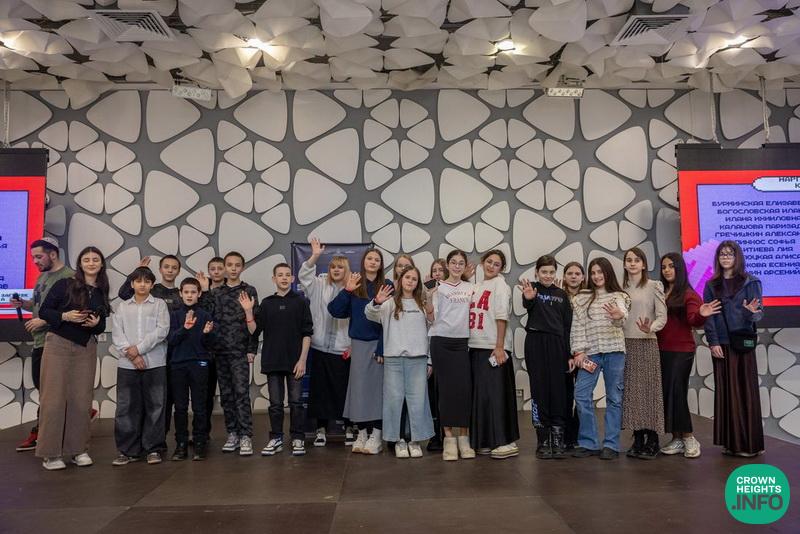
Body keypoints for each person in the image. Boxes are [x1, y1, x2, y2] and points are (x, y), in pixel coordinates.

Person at [36, 246, 110, 470]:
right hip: (58, 344)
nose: (91, 263)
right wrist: (65, 316)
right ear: (80, 264)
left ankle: (79, 450)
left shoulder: (101, 290)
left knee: (82, 400)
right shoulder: (65, 284)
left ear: (101, 264)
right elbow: (44, 311)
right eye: (86, 259)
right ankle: (51, 454)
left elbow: (102, 325)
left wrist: (96, 324)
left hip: (86, 347)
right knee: (53, 400)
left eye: (95, 259)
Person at [241, 264, 313, 457]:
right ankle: (276, 438)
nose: (284, 278)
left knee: (296, 402)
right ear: (274, 279)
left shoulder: (301, 301)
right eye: (280, 275)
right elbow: (254, 331)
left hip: (295, 362)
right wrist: (248, 312)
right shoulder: (267, 303)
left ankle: (298, 438)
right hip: (273, 361)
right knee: (275, 404)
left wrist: (302, 360)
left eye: (287, 275)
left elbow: (307, 333)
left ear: (292, 278)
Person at [12, 238, 74, 452]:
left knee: (49, 392)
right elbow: (39, 306)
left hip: (55, 342)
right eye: (33, 257)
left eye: (39, 256)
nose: (35, 261)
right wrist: (25, 304)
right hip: (39, 341)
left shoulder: (69, 277)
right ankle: (77, 413)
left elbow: (70, 312)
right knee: (44, 389)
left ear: (53, 254)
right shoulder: (42, 277)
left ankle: (42, 431)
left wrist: (44, 321)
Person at [703, 240, 764, 457]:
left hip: (742, 344)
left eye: (730, 254)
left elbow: (759, 313)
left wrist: (750, 313)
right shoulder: (711, 285)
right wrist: (713, 342)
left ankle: (749, 445)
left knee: (745, 392)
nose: (726, 258)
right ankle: (731, 444)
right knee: (727, 393)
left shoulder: (751, 282)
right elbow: (709, 316)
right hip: (722, 344)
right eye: (722, 254)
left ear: (737, 257)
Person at [328, 248, 391, 455]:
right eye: (369, 258)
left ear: (381, 264)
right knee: (359, 392)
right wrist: (347, 291)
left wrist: (382, 347)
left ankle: (376, 436)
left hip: (380, 345)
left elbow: (391, 320)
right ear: (363, 262)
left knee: (378, 392)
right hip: (358, 344)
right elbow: (335, 311)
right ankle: (362, 433)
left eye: (377, 259)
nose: (373, 262)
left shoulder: (387, 285)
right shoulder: (354, 283)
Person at [366, 266, 433, 458]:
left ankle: (414, 441)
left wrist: (429, 360)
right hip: (394, 359)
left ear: (417, 283)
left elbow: (431, 329)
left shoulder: (421, 304)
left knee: (418, 402)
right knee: (394, 401)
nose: (410, 281)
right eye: (407, 277)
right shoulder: (389, 303)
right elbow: (370, 314)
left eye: (414, 278)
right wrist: (376, 302)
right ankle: (399, 441)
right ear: (400, 280)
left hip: (418, 359)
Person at [658, 253, 721, 459]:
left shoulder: (688, 294)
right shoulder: (660, 292)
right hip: (661, 349)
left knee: (677, 393)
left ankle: (689, 437)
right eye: (664, 267)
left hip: (681, 350)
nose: (667, 270)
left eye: (671, 266)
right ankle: (676, 438)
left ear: (680, 269)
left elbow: (694, 320)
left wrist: (702, 314)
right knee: (668, 394)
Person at [197, 252, 258, 456]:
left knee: (241, 393)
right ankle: (232, 433)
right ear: (224, 268)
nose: (233, 268)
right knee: (227, 396)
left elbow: (255, 324)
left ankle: (246, 435)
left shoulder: (249, 290)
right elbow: (205, 316)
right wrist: (205, 291)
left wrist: (251, 349)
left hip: (240, 352)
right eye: (229, 265)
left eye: (237, 265)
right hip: (219, 351)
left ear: (242, 267)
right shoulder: (216, 293)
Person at [570, 257, 630, 460]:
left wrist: (618, 316)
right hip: (591, 355)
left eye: (600, 272)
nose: (596, 276)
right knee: (581, 395)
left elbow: (622, 317)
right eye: (593, 272)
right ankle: (589, 442)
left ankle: (611, 445)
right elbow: (577, 327)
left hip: (615, 353)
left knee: (614, 398)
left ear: (608, 273)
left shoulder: (619, 296)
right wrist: (578, 351)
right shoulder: (582, 298)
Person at [111, 267, 171, 466]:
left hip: (155, 362)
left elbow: (162, 331)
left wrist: (139, 349)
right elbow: (117, 334)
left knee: (156, 407)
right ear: (132, 284)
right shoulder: (122, 307)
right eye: (138, 281)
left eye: (146, 281)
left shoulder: (159, 305)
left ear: (152, 284)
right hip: (127, 365)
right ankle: (127, 450)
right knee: (126, 407)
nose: (142, 284)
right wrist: (132, 354)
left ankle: (153, 449)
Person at [298, 239, 352, 447]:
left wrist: (352, 345)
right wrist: (315, 256)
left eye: (340, 267)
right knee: (320, 391)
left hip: (342, 349)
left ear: (346, 270)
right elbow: (304, 276)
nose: (336, 270)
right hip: (320, 346)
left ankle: (348, 427)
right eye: (333, 267)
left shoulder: (353, 289)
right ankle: (321, 429)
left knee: (343, 390)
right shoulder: (319, 285)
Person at [425, 249, 476, 461]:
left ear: (465, 266)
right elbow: (431, 318)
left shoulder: (471, 288)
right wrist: (428, 297)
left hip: (462, 343)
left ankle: (464, 438)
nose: (456, 266)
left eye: (460, 263)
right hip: (441, 342)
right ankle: (449, 439)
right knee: (444, 392)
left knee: (464, 391)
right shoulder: (438, 287)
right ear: (447, 265)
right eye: (453, 262)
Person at [520, 255, 572, 460]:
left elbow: (567, 326)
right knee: (539, 390)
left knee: (558, 391)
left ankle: (557, 438)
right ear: (537, 272)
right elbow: (527, 305)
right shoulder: (532, 289)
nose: (548, 276)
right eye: (544, 272)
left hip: (557, 345)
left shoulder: (562, 294)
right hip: (535, 343)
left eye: (551, 272)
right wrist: (529, 298)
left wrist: (569, 353)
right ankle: (542, 439)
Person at [470, 250, 520, 459]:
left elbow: (501, 316)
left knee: (497, 395)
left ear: (502, 268)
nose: (491, 266)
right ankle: (485, 440)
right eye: (489, 262)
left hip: (493, 347)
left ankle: (505, 441)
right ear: (482, 263)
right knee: (482, 396)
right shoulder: (477, 286)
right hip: (475, 346)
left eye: (496, 264)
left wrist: (499, 346)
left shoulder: (500, 285)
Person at [621, 247, 668, 460]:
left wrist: (651, 328)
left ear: (644, 264)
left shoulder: (654, 286)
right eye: (629, 260)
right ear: (624, 264)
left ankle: (653, 439)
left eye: (637, 260)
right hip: (625, 343)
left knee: (650, 393)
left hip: (647, 342)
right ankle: (638, 437)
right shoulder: (620, 288)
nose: (632, 263)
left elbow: (662, 316)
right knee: (632, 393)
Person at [167, 277, 215, 461]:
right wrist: (184, 328)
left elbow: (210, 344)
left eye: (193, 292)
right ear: (180, 293)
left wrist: (206, 334)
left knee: (199, 406)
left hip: (199, 364)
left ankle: (200, 442)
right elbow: (171, 340)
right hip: (178, 365)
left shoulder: (205, 315)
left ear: (199, 293)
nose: (189, 295)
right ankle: (181, 444)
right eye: (186, 292)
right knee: (180, 407)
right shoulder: (174, 315)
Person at [560, 261, 585, 450]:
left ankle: (578, 434)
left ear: (583, 277)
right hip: (564, 353)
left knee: (583, 395)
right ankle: (565, 436)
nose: (574, 276)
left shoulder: (589, 297)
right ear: (564, 276)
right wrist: (567, 354)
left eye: (577, 273)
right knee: (566, 396)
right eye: (570, 273)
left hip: (584, 353)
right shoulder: (559, 297)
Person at [424, 259, 448, 452]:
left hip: (449, 350)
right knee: (432, 397)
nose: (437, 273)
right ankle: (434, 436)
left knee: (446, 397)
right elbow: (427, 326)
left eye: (441, 270)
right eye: (434, 270)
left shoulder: (451, 293)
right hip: (431, 351)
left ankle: (448, 434)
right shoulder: (425, 294)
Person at [201, 256, 226, 438]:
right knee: (205, 394)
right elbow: (203, 313)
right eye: (213, 269)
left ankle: (234, 433)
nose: (216, 272)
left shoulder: (230, 290)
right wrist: (204, 291)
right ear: (209, 271)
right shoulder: (202, 289)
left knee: (229, 394)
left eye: (219, 268)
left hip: (226, 349)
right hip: (206, 351)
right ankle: (202, 432)